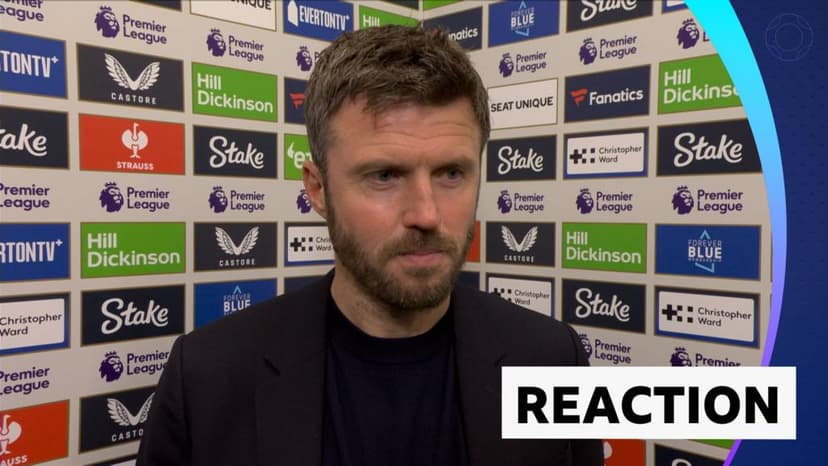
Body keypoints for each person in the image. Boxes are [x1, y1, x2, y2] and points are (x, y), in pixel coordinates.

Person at [137, 25, 602, 466]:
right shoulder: (206, 378)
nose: (426, 214)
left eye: (451, 173)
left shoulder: (552, 358)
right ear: (318, 188)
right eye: (384, 175)